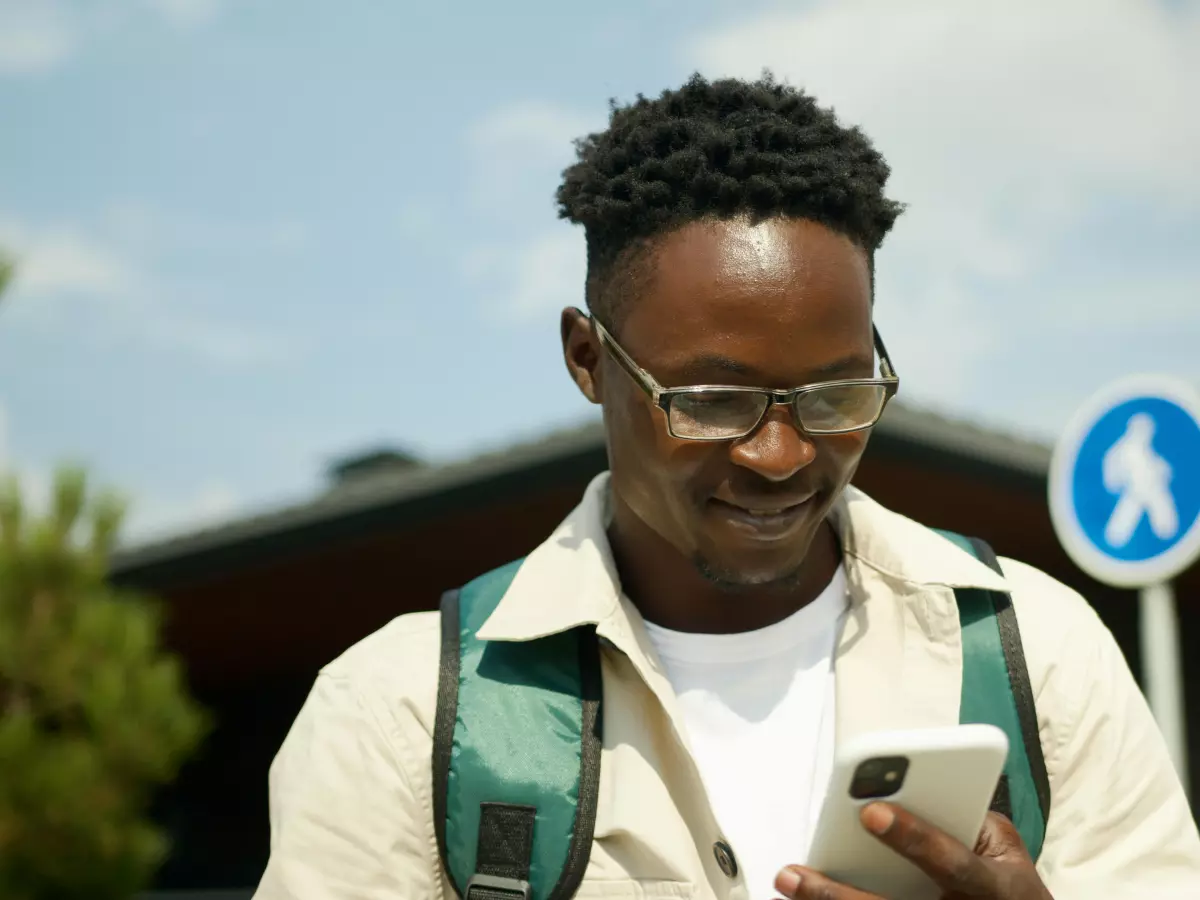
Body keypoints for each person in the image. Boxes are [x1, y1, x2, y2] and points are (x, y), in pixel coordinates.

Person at [253, 74, 1200, 899]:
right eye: (711, 400)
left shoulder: (1040, 659)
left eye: (835, 394)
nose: (782, 454)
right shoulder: (407, 716)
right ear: (588, 359)